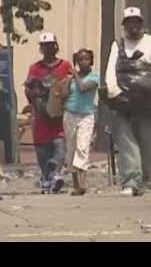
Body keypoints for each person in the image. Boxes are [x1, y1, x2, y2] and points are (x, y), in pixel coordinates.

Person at [105, 7, 151, 196]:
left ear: (141, 23)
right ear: (124, 26)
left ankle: (144, 180)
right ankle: (131, 180)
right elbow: (111, 70)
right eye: (129, 23)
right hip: (124, 100)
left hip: (146, 100)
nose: (133, 27)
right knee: (126, 139)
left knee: (147, 140)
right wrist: (114, 92)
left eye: (136, 22)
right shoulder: (118, 45)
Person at [25, 32, 72, 193]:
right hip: (41, 116)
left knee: (60, 147)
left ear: (56, 46)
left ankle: (55, 173)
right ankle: (47, 178)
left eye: (51, 45)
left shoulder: (65, 65)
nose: (48, 49)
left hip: (59, 117)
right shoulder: (35, 68)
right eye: (44, 46)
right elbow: (28, 90)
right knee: (42, 151)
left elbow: (71, 85)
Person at [62, 48, 99, 196]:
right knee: (71, 148)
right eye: (80, 60)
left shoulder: (94, 77)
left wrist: (75, 75)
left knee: (83, 147)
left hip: (86, 116)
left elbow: (83, 88)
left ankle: (83, 183)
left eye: (86, 59)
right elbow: (64, 94)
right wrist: (66, 81)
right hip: (70, 115)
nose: (83, 62)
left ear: (91, 61)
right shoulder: (71, 79)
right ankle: (76, 185)